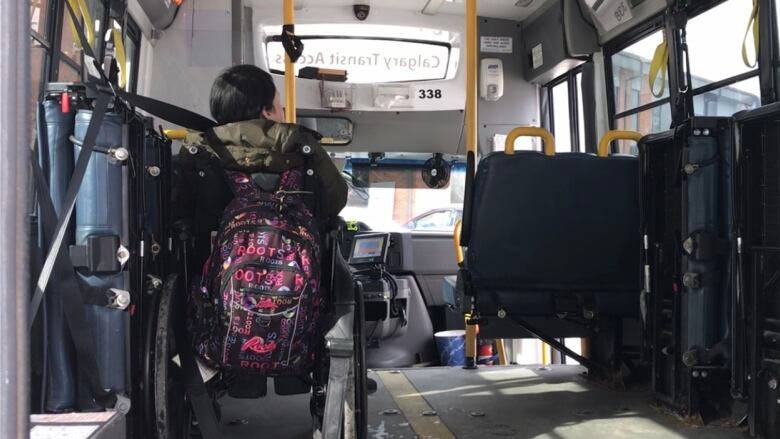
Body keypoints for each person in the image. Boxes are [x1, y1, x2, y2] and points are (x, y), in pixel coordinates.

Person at [172, 64, 348, 269]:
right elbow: (336, 200)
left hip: (215, 285)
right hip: (297, 286)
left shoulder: (198, 153)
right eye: (279, 104)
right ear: (267, 111)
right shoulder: (304, 149)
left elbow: (179, 210)